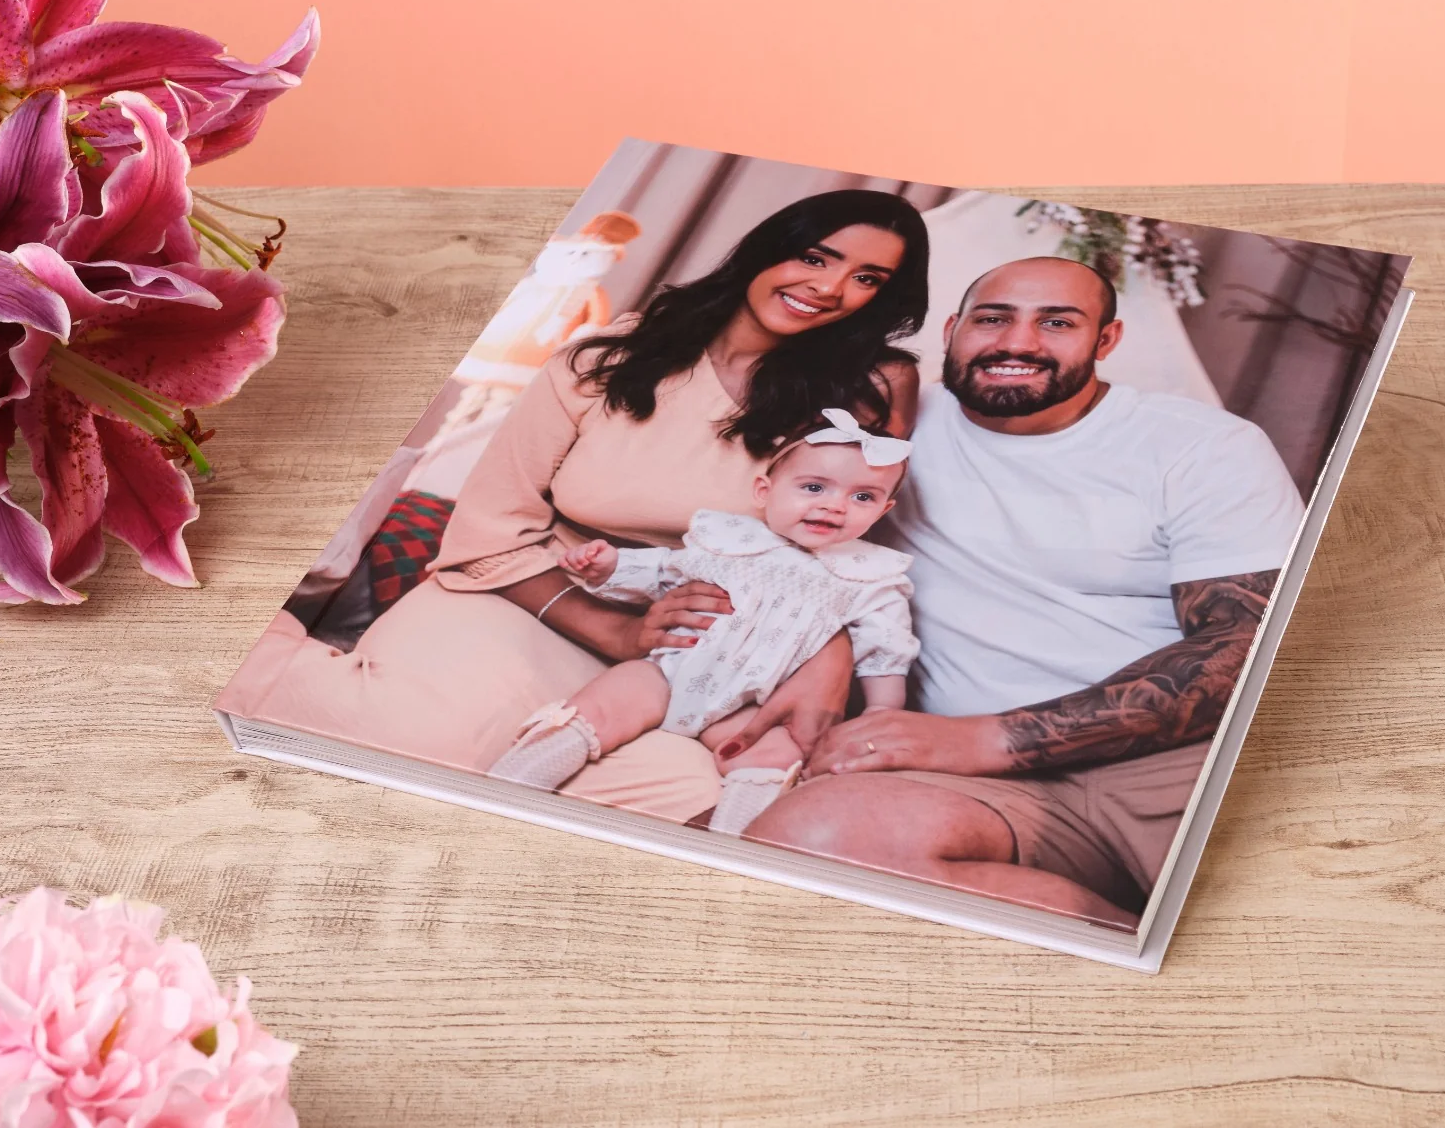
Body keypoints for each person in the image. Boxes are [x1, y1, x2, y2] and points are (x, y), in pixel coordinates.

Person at [215, 189, 931, 822]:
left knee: (693, 804)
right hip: (529, 594)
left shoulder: (850, 406)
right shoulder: (608, 360)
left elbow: (847, 547)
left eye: (868, 278)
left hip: (705, 655)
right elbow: (493, 524)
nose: (832, 286)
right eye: (815, 257)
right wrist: (614, 632)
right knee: (420, 746)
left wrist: (828, 651)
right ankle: (239, 646)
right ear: (768, 251)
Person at [742, 256, 1304, 925]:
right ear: (951, 330)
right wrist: (828, 652)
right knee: (808, 836)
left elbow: (1248, 646)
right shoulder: (885, 436)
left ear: (1106, 342)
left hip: (1175, 763)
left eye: (1057, 322)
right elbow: (790, 534)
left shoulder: (1201, 446)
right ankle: (1125, 939)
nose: (1017, 343)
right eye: (993, 318)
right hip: (983, 789)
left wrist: (988, 739)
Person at [486, 414, 918, 838]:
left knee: (774, 753)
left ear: (885, 509)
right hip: (670, 674)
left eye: (863, 497)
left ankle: (730, 845)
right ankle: (508, 789)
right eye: (813, 487)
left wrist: (882, 712)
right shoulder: (729, 538)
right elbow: (665, 571)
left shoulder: (872, 576)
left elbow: (886, 650)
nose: (835, 504)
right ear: (764, 491)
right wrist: (608, 565)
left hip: (755, 706)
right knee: (609, 698)